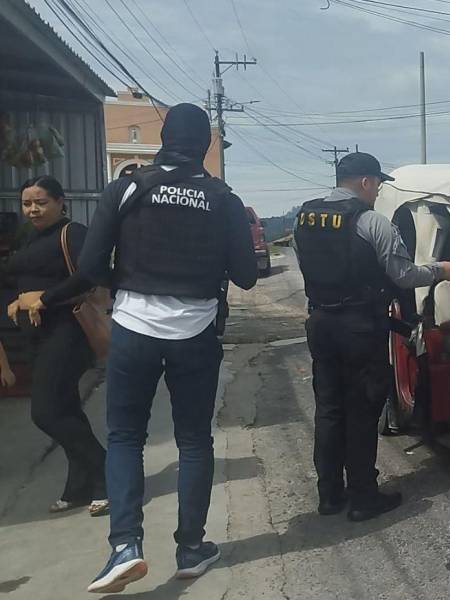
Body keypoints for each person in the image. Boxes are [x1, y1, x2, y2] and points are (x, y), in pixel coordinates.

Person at [79, 104, 257, 594]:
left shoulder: (129, 187)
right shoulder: (222, 198)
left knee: (125, 437)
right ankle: (191, 549)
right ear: (204, 146)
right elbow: (245, 274)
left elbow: (91, 264)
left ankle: (125, 546)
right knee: (194, 441)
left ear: (163, 137)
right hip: (196, 331)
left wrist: (131, 285)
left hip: (134, 327)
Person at [294, 152, 450, 522]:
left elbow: (304, 264)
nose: (378, 191)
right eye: (378, 184)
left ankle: (330, 495)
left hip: (321, 323)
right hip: (359, 328)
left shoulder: (304, 218)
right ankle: (364, 497)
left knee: (330, 409)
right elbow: (403, 275)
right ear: (365, 182)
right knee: (362, 411)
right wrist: (440, 271)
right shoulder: (371, 222)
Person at [3, 176, 108, 517]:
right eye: (27, 203)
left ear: (61, 202)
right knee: (66, 411)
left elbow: (91, 275)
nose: (32, 209)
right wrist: (18, 301)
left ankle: (108, 473)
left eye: (41, 202)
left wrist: (44, 298)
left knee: (46, 412)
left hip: (68, 333)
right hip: (37, 337)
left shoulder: (72, 233)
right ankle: (79, 487)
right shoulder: (30, 238)